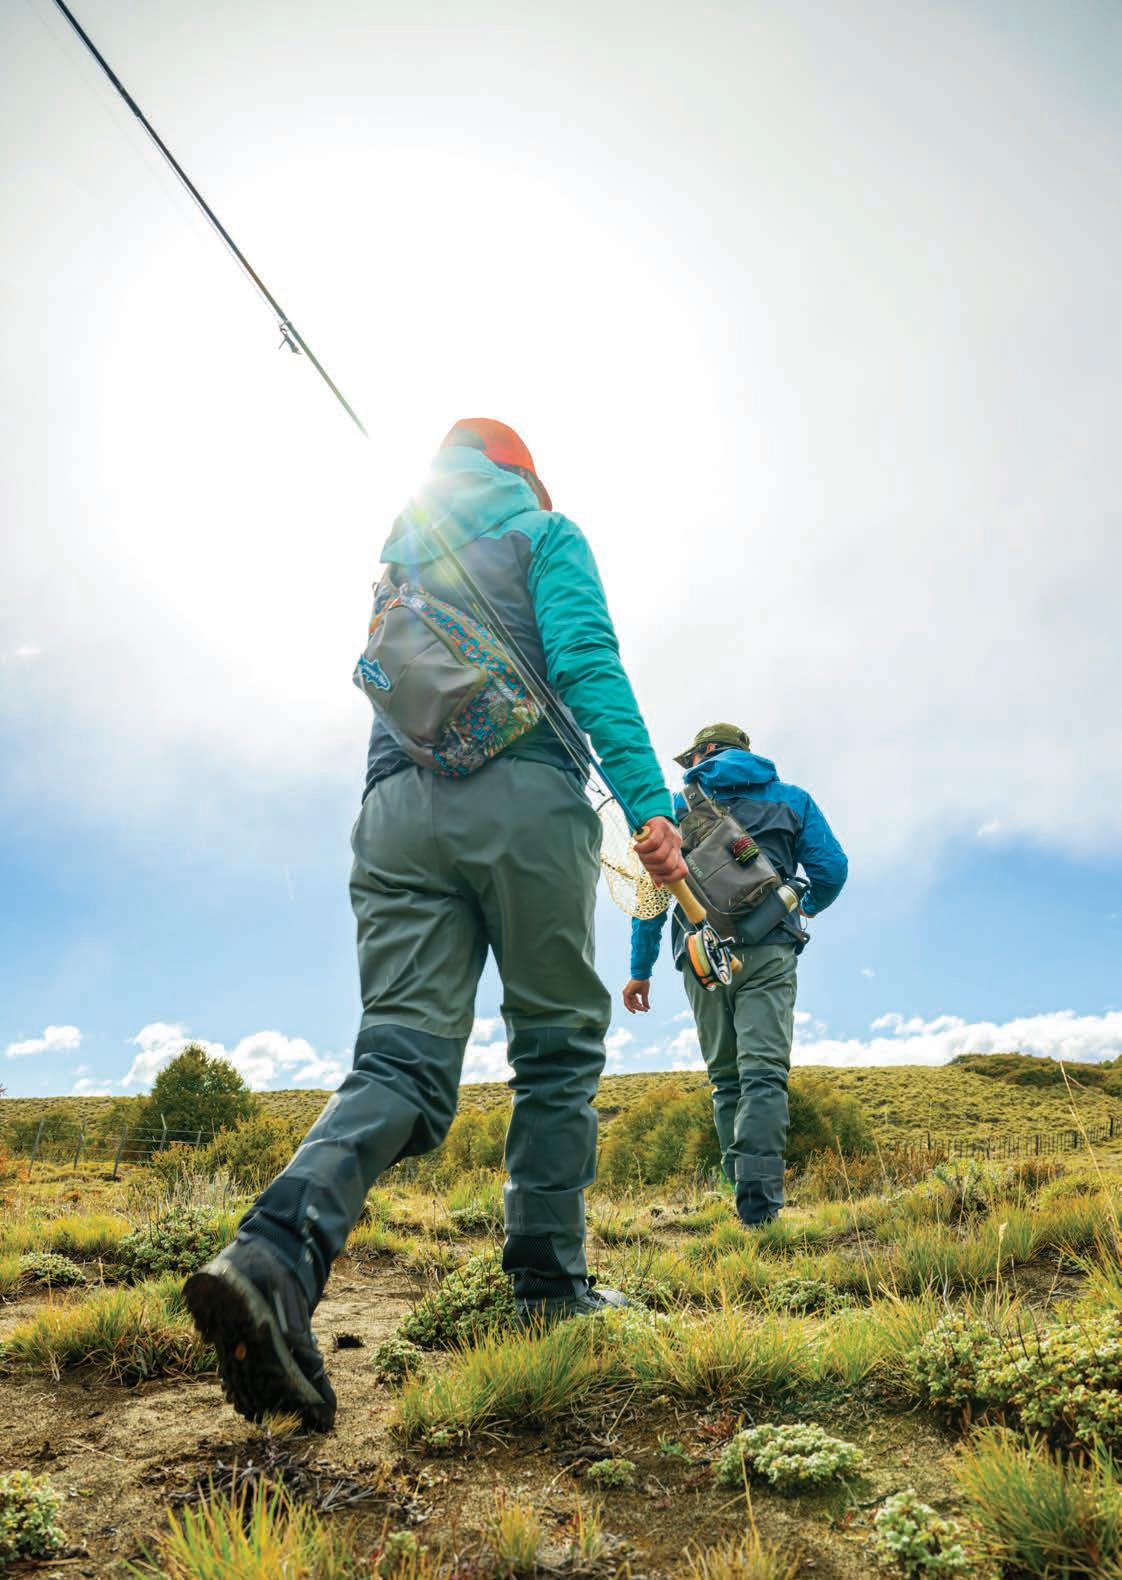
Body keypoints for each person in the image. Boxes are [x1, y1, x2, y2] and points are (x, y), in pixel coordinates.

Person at [185, 418, 686, 1430]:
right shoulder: (546, 535)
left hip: (392, 818)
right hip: (524, 803)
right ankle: (549, 1287)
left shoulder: (399, 553)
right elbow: (586, 662)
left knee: (401, 1063)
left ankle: (275, 1253)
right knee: (553, 1048)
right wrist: (645, 800)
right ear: (522, 475)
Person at [622, 723, 847, 1227]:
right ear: (745, 753)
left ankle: (737, 1194)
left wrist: (640, 971)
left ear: (700, 757)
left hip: (700, 954)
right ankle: (759, 1208)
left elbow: (651, 899)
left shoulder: (673, 812)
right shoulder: (792, 800)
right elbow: (831, 870)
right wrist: (796, 906)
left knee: (726, 1080)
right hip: (769, 949)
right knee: (763, 1073)